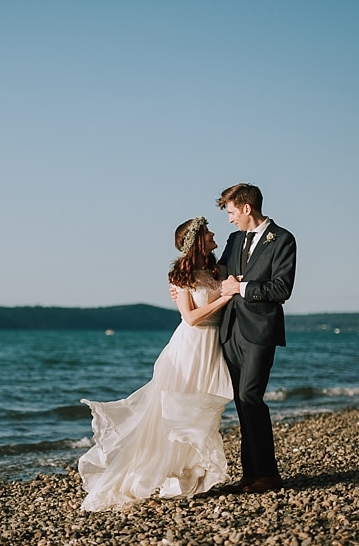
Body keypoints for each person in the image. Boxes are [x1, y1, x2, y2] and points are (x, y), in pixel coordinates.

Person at [78, 218, 235, 510]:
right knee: (177, 413)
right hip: (189, 347)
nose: (214, 234)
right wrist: (225, 297)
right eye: (208, 232)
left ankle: (192, 475)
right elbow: (190, 318)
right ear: (197, 239)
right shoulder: (179, 276)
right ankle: (160, 473)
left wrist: (229, 292)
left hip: (212, 347)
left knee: (201, 411)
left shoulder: (219, 269)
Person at [213, 183, 298, 493]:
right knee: (240, 400)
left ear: (247, 209)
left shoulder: (283, 240)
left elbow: (281, 289)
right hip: (230, 329)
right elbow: (221, 272)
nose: (230, 219)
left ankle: (269, 474)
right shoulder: (234, 240)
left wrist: (242, 287)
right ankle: (250, 475)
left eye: (232, 212)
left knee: (251, 396)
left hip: (261, 330)